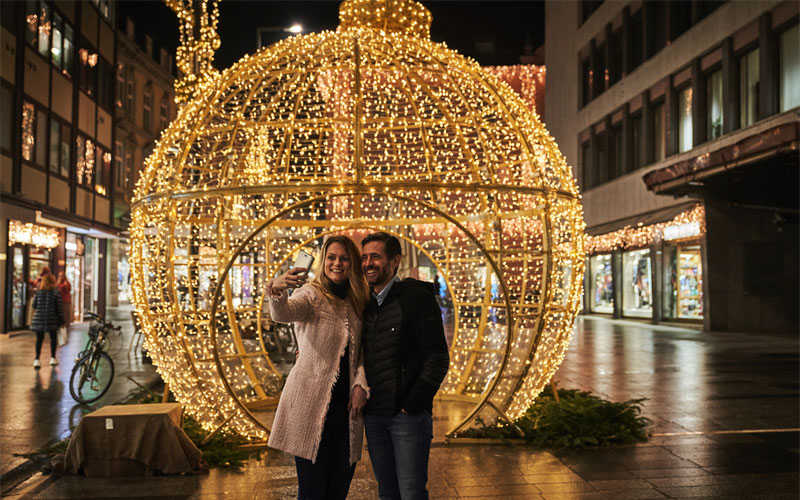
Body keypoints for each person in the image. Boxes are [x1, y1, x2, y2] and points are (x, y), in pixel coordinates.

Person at [266, 235, 371, 500]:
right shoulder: (311, 294)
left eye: (344, 258)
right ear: (323, 261)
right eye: (332, 257)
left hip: (346, 411)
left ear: (353, 264)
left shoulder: (358, 301)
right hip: (310, 407)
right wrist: (276, 288)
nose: (337, 263)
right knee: (312, 491)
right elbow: (284, 313)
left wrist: (360, 383)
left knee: (338, 489)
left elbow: (361, 354)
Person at [360, 232, 450, 500]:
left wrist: (412, 404)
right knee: (387, 492)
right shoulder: (364, 302)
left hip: (406, 417)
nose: (368, 263)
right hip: (374, 415)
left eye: (375, 256)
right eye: (364, 257)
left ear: (394, 261)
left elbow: (437, 357)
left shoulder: (414, 298)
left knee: (411, 492)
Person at [30, 272, 65, 368]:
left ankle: (37, 359)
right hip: (51, 319)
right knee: (53, 338)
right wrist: (62, 321)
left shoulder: (39, 292)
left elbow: (34, 305)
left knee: (39, 339)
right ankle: (53, 358)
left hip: (39, 318)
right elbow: (59, 308)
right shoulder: (56, 293)